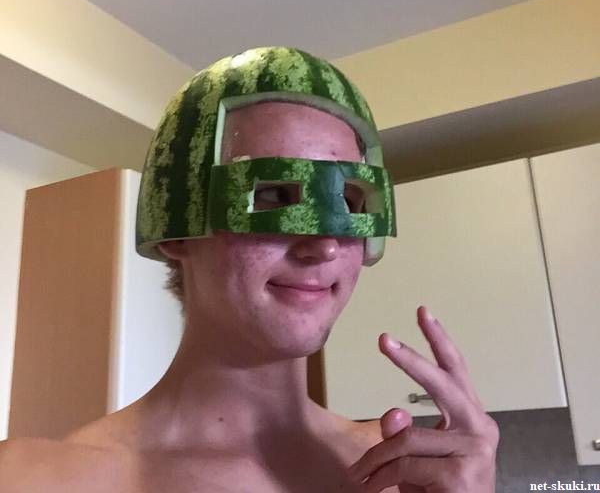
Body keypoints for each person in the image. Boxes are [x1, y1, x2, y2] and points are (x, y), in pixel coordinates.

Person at [0, 47, 499, 492]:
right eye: (275, 195)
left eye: (348, 201)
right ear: (176, 226)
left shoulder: (401, 476)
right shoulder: (31, 479)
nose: (324, 245)